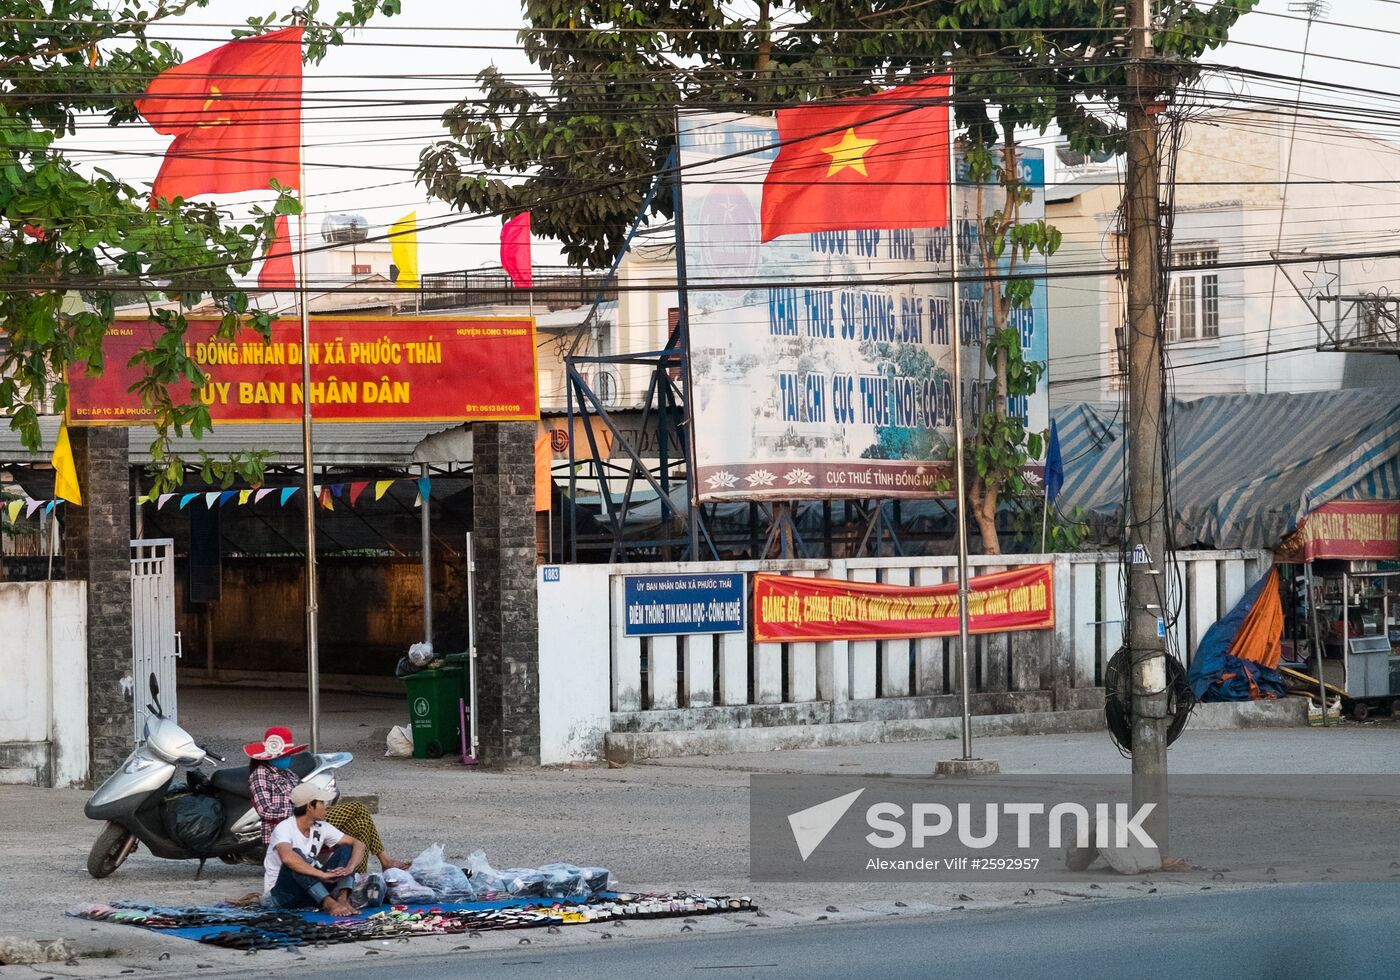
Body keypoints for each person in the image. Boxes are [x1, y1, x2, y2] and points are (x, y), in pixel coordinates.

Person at [245, 726, 411, 874]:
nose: (288, 758)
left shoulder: (287, 772)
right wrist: (301, 812)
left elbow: (307, 793)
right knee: (357, 807)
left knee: (360, 825)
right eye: (285, 755)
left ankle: (358, 875)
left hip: (307, 817)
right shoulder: (260, 774)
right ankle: (385, 860)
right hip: (292, 823)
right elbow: (265, 810)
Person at [262, 781, 371, 914]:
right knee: (295, 856)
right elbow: (288, 858)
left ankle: (343, 900)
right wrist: (322, 874)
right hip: (284, 896)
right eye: (322, 803)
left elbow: (358, 844)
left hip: (311, 891)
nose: (326, 807)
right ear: (310, 807)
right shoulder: (284, 827)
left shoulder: (321, 826)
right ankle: (329, 903)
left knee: (346, 848)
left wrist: (350, 868)